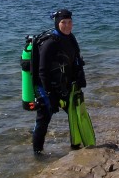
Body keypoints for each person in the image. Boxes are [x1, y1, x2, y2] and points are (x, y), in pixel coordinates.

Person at [32, 9, 87, 154]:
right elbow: (42, 71)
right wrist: (50, 94)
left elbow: (76, 60)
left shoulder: (71, 38)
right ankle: (37, 153)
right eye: (64, 22)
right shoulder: (50, 43)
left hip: (63, 86)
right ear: (57, 23)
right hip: (45, 87)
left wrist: (80, 76)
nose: (67, 26)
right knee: (43, 120)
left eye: (70, 22)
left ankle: (76, 146)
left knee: (74, 114)